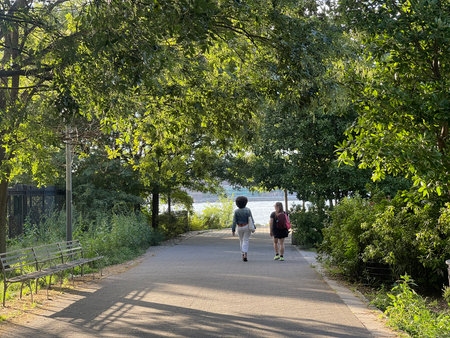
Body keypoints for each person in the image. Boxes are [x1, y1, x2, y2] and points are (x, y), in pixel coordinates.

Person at [231, 196, 255, 262]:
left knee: (241, 240)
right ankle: (245, 254)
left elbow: (234, 221)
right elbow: (251, 219)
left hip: (239, 227)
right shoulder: (248, 210)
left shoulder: (236, 211)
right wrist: (254, 227)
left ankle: (242, 253)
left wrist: (233, 229)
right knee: (246, 240)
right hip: (246, 226)